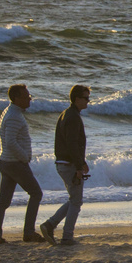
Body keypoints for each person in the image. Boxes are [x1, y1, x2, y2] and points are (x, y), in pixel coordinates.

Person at [0, 84, 45, 244]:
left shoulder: (11, 112)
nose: (29, 98)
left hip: (7, 162)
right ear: (17, 98)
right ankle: (28, 232)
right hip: (14, 163)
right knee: (36, 193)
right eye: (26, 96)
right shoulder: (14, 115)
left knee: (3, 201)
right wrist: (24, 157)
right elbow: (10, 142)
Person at [42, 85, 90, 246]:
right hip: (68, 164)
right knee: (76, 201)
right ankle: (67, 236)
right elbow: (72, 144)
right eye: (85, 98)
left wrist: (81, 162)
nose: (88, 101)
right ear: (76, 99)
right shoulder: (72, 117)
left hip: (64, 162)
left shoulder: (68, 114)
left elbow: (72, 144)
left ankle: (50, 225)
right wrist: (78, 166)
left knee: (74, 199)